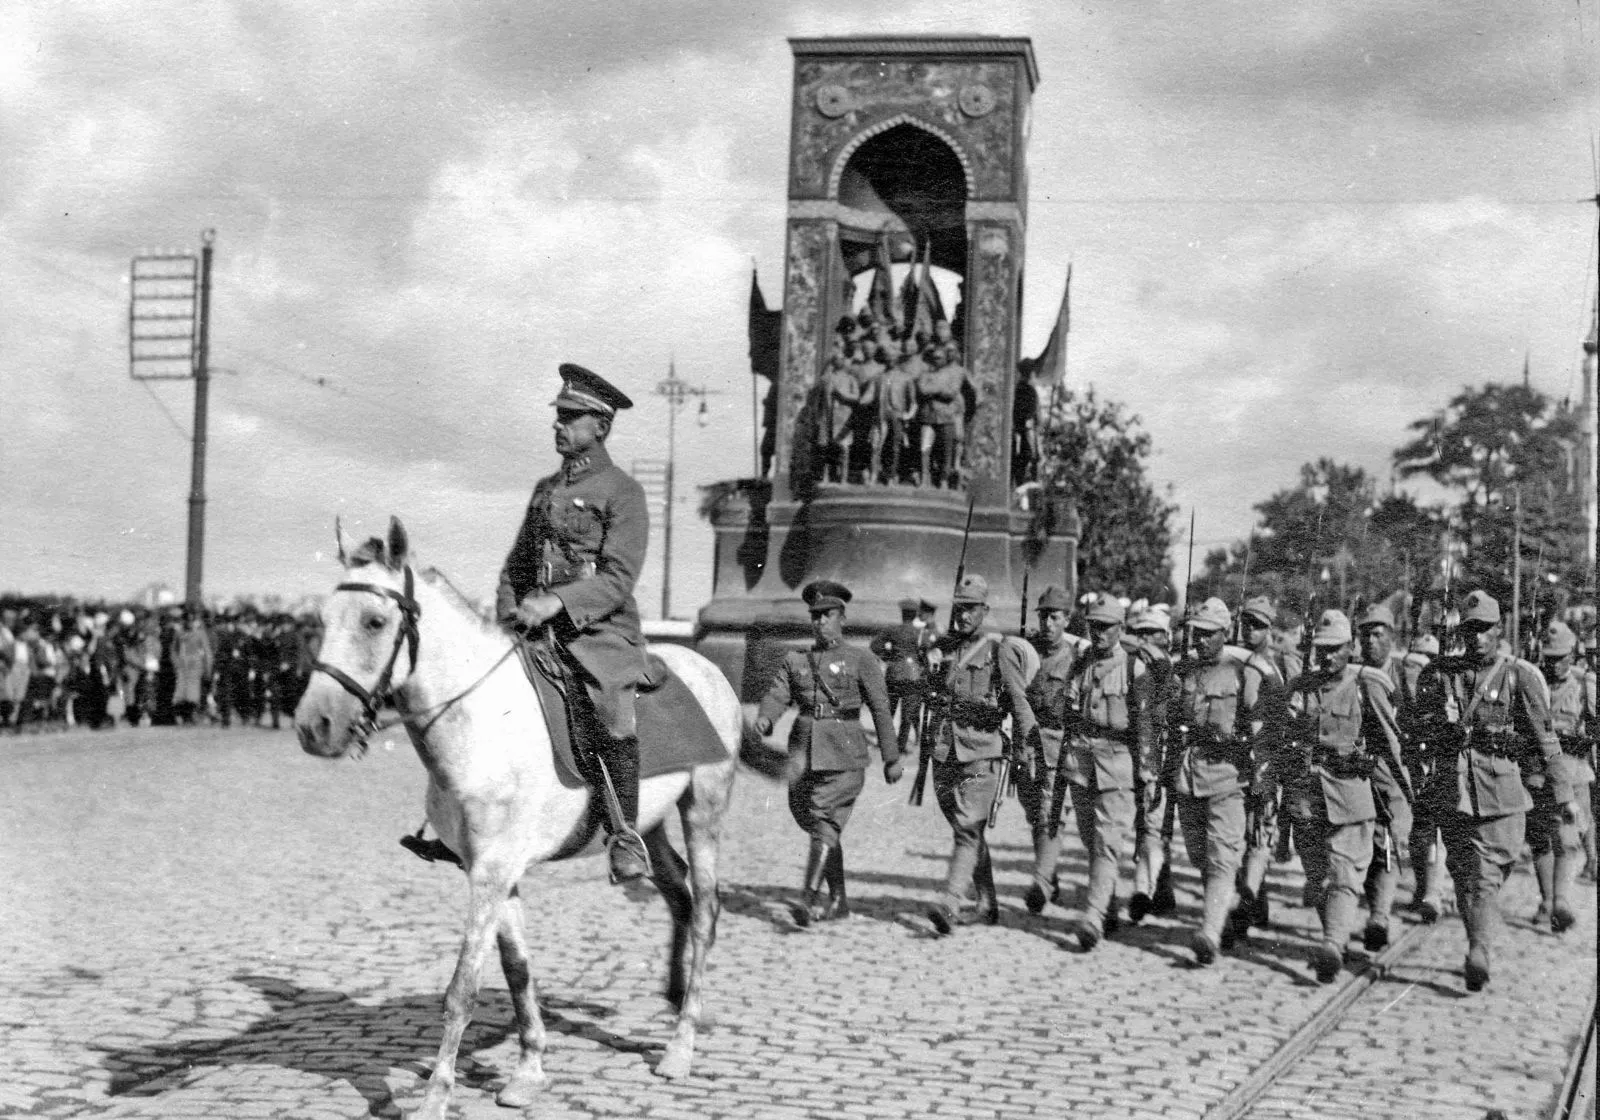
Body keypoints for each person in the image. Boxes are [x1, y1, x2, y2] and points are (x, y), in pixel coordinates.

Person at [495, 364, 652, 884]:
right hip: (534, 626)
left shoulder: (623, 491)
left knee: (610, 709)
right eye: (557, 417)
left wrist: (558, 603)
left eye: (570, 417)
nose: (558, 425)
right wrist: (507, 615)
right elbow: (516, 566)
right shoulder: (545, 489)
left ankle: (625, 833)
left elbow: (618, 577)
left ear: (600, 426)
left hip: (598, 630)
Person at [1418, 590, 1572, 991]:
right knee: (1464, 873)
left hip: (1502, 793)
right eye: (1469, 629)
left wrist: (1565, 795)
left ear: (1498, 629)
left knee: (1485, 875)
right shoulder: (1443, 674)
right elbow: (1420, 727)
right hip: (1454, 791)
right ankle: (1477, 944)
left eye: (1484, 629)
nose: (1477, 637)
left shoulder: (1518, 675)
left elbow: (1546, 737)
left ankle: (1479, 950)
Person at [756, 580, 901, 926]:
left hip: (844, 753)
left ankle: (807, 900)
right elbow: (778, 694)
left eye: (828, 615)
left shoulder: (861, 659)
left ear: (842, 618)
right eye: (816, 616)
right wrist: (765, 718)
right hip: (803, 752)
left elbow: (881, 708)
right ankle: (839, 901)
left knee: (823, 819)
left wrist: (892, 757)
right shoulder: (797, 660)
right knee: (808, 815)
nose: (820, 621)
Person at [1280, 610, 1407, 983]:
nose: (1328, 656)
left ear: (1350, 648)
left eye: (1336, 649)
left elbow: (1391, 745)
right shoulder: (1300, 688)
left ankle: (1333, 944)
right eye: (1321, 649)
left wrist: (1405, 800)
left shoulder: (1368, 685)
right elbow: (1282, 741)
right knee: (1318, 877)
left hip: (1351, 796)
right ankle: (1333, 938)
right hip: (1307, 797)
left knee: (1344, 874)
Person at [924, 575, 1039, 933]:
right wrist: (928, 663)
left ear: (985, 610)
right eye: (959, 608)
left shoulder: (998, 650)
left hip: (982, 751)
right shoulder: (945, 649)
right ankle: (987, 902)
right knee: (964, 829)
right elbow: (929, 691)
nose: (963, 615)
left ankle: (951, 902)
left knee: (967, 829)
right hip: (945, 750)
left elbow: (1019, 701)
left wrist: (1028, 744)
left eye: (971, 608)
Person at [1169, 597, 1272, 964]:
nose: (1200, 640)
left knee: (1223, 858)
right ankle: (1222, 917)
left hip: (1230, 776)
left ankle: (1209, 932)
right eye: (1196, 633)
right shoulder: (1186, 671)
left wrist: (1261, 780)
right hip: (1190, 774)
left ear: (1225, 634)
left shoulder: (1245, 672)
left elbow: (1260, 729)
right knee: (1200, 856)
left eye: (1209, 635)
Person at [1061, 593, 1153, 949]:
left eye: (1106, 627)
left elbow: (1146, 725)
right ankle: (1108, 906)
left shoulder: (1135, 668)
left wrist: (1146, 773)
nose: (1099, 633)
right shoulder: (1081, 663)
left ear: (1121, 628)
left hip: (1118, 763)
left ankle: (1093, 917)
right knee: (1090, 840)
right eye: (1093, 626)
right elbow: (1068, 709)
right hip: (1082, 761)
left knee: (1107, 843)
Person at [1351, 603, 1418, 950]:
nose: (1371, 642)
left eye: (1378, 634)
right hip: (1361, 770)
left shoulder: (1407, 675)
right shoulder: (1352, 674)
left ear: (1392, 637)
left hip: (1396, 769)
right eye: (1365, 635)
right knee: (1365, 843)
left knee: (1391, 843)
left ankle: (1380, 915)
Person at [1230, 596, 1291, 941]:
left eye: (1257, 625)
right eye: (1246, 623)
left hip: (1266, 755)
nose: (1250, 630)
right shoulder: (1254, 665)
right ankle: (1250, 898)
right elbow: (1252, 711)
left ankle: (1256, 898)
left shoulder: (1266, 663)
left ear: (1269, 628)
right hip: (1257, 756)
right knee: (1258, 832)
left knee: (1259, 831)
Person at [1018, 585, 1077, 914]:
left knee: (1049, 814)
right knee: (1033, 814)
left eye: (1054, 617)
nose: (1048, 624)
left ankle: (1040, 881)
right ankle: (1049, 873)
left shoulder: (1075, 660)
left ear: (1066, 619)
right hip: (1025, 744)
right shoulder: (1027, 653)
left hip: (1056, 744)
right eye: (1043, 617)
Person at [1533, 620, 1588, 933]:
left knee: (1567, 839)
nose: (1554, 664)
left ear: (1573, 655)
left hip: (1572, 767)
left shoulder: (1584, 685)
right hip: (1540, 772)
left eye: (1560, 657)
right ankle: (1549, 899)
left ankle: (1562, 901)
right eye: (1549, 658)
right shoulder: (1534, 682)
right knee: (1541, 839)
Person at [1126, 607, 1176, 921]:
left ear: (1164, 637)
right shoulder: (1139, 662)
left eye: (1151, 634)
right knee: (1150, 824)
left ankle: (1144, 888)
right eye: (1140, 633)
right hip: (1139, 751)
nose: (1143, 640)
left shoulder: (1160, 665)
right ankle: (1161, 889)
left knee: (1153, 823)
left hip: (1158, 753)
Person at [870, 597, 933, 757]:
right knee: (908, 713)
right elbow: (925, 652)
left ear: (902, 613)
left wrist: (888, 657)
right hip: (913, 675)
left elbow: (874, 645)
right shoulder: (920, 632)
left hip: (894, 673)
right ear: (915, 615)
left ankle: (883, 742)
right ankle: (901, 745)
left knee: (889, 710)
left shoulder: (892, 630)